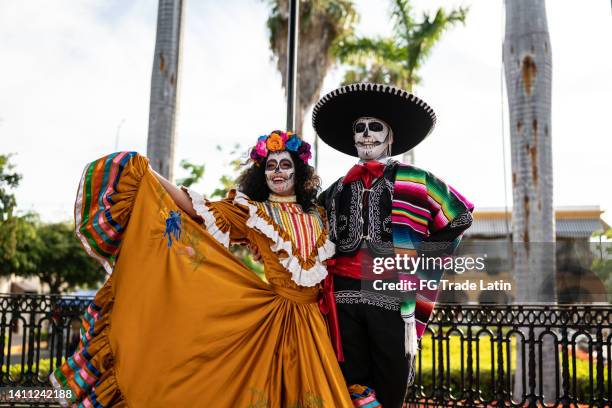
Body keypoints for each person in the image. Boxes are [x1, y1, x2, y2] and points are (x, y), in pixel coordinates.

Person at [50, 131, 353, 407]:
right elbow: (198, 209)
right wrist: (151, 175)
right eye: (271, 166)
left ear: (298, 170)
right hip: (274, 322)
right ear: (262, 173)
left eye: (285, 164)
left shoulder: (320, 214)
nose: (278, 172)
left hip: (315, 321)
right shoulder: (252, 211)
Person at [313, 83, 474, 407]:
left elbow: (460, 217)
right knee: (353, 383)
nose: (367, 134)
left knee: (392, 382)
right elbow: (307, 233)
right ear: (353, 137)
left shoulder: (415, 179)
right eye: (360, 128)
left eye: (375, 128)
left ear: (390, 137)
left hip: (391, 298)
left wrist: (422, 259)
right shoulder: (331, 191)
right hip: (343, 300)